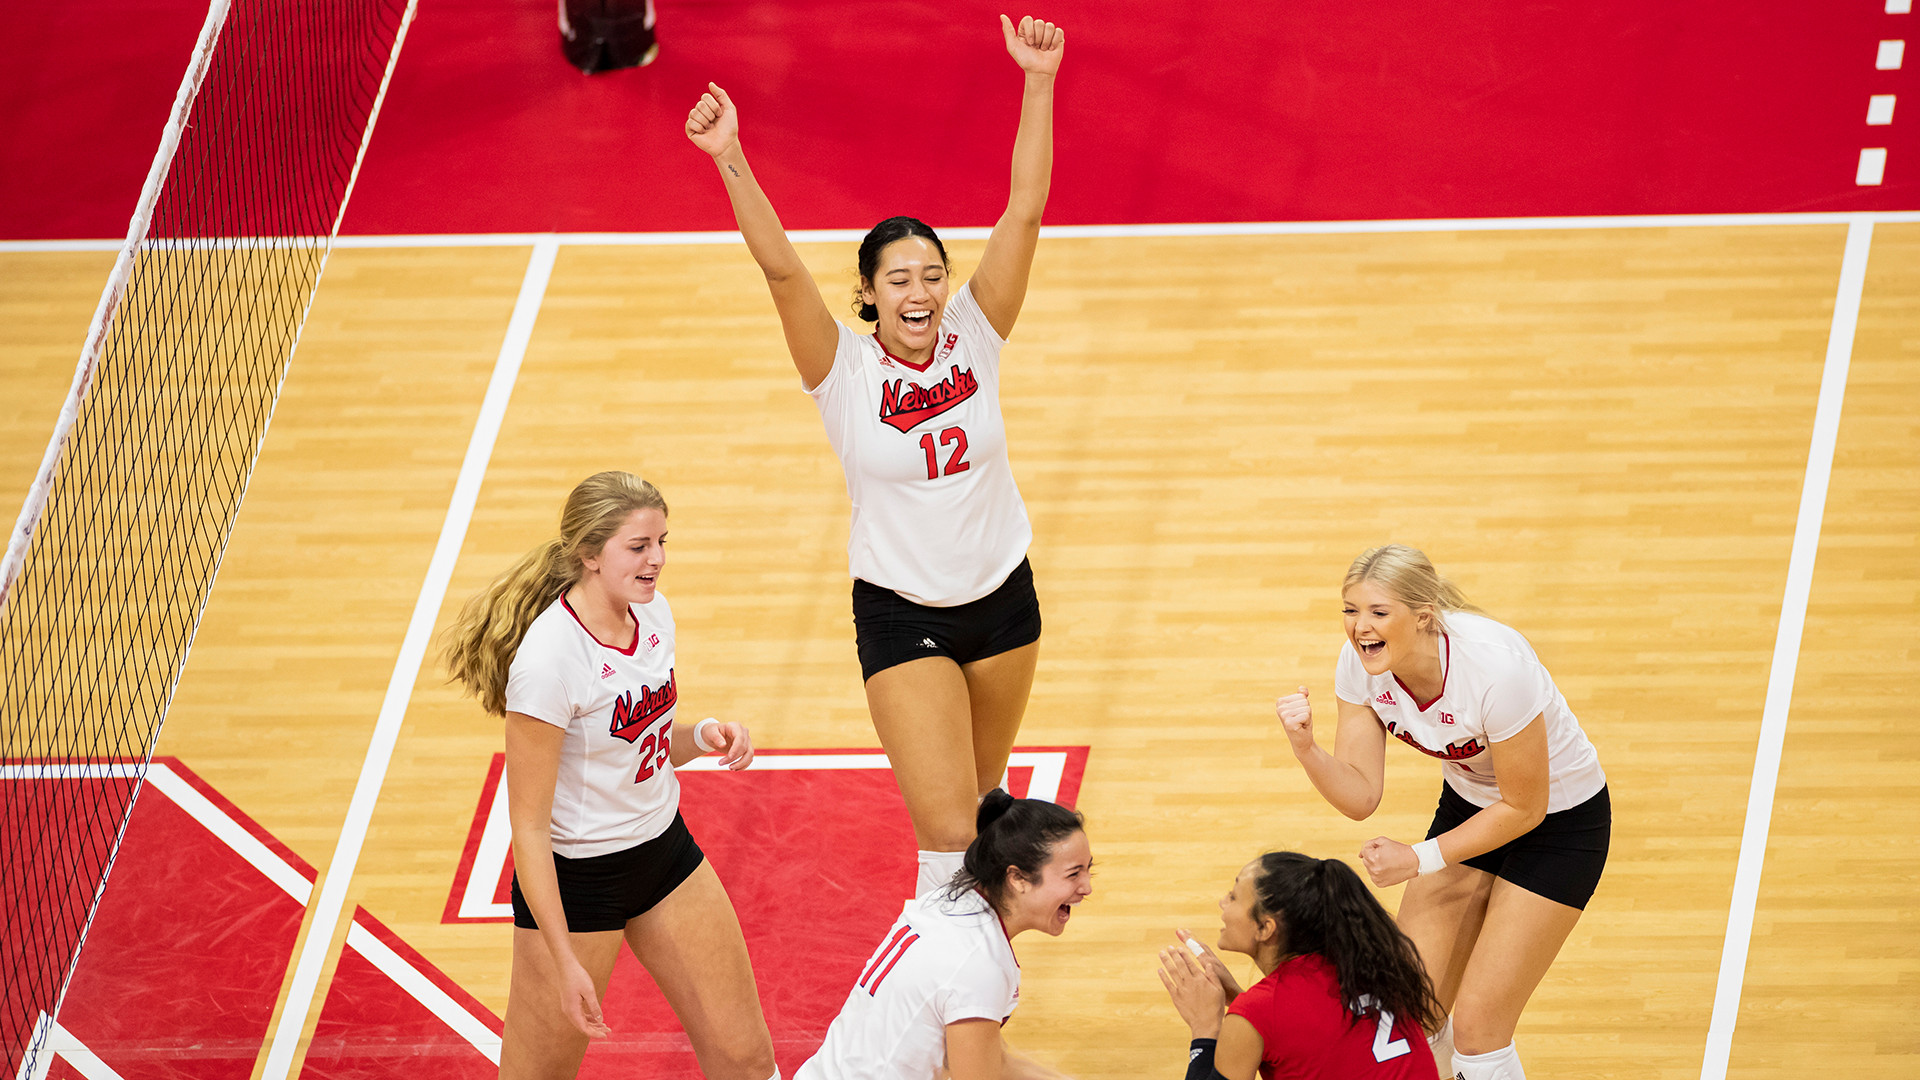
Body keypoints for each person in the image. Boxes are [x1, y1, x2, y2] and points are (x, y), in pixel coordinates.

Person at [685, 14, 1065, 897]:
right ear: (867, 292)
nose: (921, 291)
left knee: (978, 813)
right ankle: (939, 1015)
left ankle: (976, 992)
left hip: (1005, 600)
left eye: (932, 273)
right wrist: (729, 155)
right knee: (944, 843)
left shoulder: (977, 329)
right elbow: (783, 271)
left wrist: (1037, 83)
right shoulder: (842, 371)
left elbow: (1026, 210)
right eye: (898, 278)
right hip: (903, 615)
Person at [442, 471, 778, 1080]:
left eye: (662, 542)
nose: (658, 560)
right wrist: (563, 958)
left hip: (663, 854)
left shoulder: (653, 617)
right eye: (639, 546)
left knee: (747, 1058)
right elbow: (529, 829)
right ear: (589, 555)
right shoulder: (548, 665)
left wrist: (700, 737)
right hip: (577, 884)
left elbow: (638, 745)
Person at [1275, 544, 1610, 1080]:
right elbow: (1360, 797)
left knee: (1479, 1031)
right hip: (1471, 807)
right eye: (1349, 610)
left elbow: (1524, 807)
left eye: (1378, 612)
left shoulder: (1497, 668)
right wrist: (1306, 749)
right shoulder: (1360, 667)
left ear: (1423, 615)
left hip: (1559, 825)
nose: (1360, 628)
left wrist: (1419, 858)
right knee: (1407, 1012)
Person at [796, 789, 1090, 1080]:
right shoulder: (979, 966)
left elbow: (992, 1060)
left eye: (1088, 870)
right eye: (1073, 874)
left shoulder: (949, 902)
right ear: (1017, 878)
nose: (1086, 887)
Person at [1156, 851, 1441, 1080]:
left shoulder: (1258, 1012)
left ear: (1265, 928)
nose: (1222, 903)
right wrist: (1239, 1001)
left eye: (1232, 896)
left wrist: (1205, 1027)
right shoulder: (1362, 966)